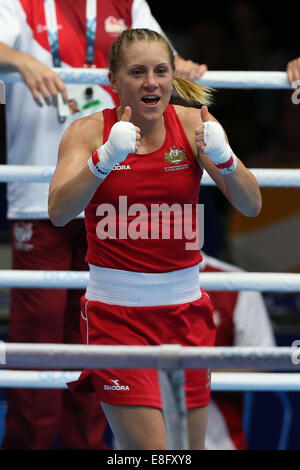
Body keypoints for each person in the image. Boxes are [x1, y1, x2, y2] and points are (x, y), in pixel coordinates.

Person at [0, 0, 208, 451]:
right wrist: (18, 59)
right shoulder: (19, 4)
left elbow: (162, 59)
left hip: (118, 195)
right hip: (44, 197)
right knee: (37, 347)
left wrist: (184, 67)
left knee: (94, 354)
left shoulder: (128, 3)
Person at [48, 27, 262, 450]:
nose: (152, 82)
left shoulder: (194, 123)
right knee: (153, 454)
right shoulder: (88, 132)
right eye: (138, 71)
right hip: (116, 316)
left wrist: (225, 158)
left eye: (161, 71)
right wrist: (104, 159)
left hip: (185, 313)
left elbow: (251, 203)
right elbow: (58, 212)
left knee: (185, 451)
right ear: (113, 80)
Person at [199, 252, 276, 450]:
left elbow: (261, 362)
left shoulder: (233, 282)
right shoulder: (124, 278)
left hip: (217, 442)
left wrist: (189, 374)